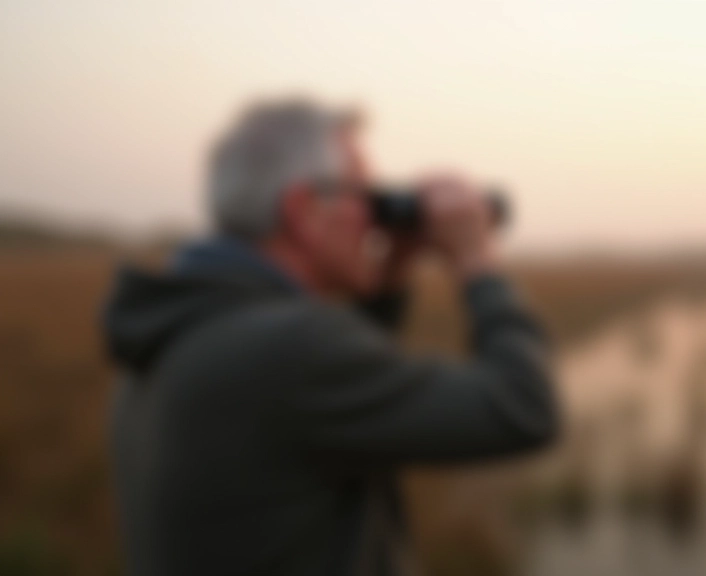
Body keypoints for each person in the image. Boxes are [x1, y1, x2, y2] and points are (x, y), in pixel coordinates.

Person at [102, 98, 560, 576]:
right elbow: (522, 409)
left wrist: (388, 278)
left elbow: (328, 403)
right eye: (363, 196)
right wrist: (477, 263)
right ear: (304, 209)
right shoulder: (292, 349)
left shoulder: (175, 331)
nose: (374, 216)